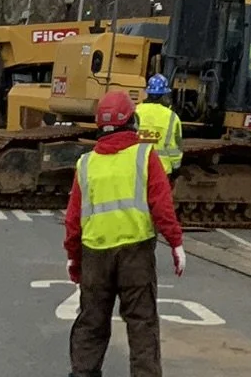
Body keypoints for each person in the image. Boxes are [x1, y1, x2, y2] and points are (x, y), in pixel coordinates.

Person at [64, 89, 185, 377]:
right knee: (141, 322)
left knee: (91, 322)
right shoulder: (144, 156)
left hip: (95, 254)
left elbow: (73, 219)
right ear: (131, 121)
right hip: (136, 254)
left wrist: (73, 257)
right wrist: (176, 243)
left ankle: (83, 373)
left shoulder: (86, 164)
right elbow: (162, 205)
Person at [135, 74, 183, 179]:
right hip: (161, 170)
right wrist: (176, 168)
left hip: (137, 167)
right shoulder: (171, 117)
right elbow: (174, 147)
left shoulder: (136, 111)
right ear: (164, 94)